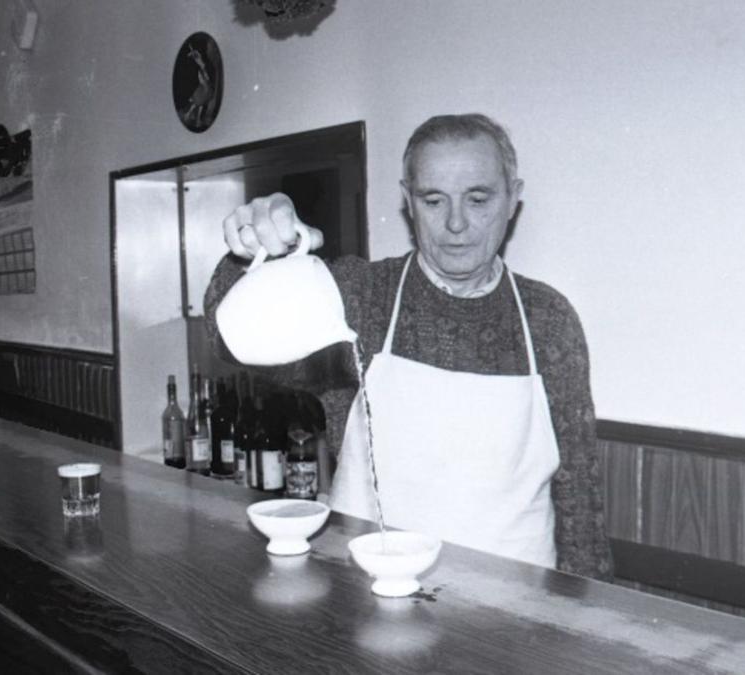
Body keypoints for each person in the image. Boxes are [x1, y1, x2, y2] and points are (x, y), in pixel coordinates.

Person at [205, 113, 613, 579]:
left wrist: (587, 620)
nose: (456, 223)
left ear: (513, 199)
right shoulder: (361, 297)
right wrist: (251, 252)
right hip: (366, 597)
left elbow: (579, 496)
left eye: (478, 199)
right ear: (407, 201)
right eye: (434, 200)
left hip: (514, 616)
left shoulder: (548, 319)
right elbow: (226, 336)